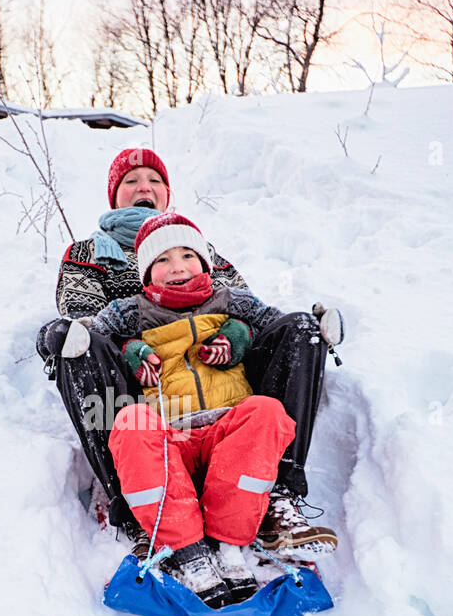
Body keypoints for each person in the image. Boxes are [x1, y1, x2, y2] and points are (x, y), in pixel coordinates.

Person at [36, 148, 342, 556]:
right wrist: (129, 344)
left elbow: (249, 307)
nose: (143, 187)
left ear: (166, 193)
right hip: (143, 381)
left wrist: (237, 334)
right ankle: (135, 503)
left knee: (300, 330)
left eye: (154, 180)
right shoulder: (88, 253)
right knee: (79, 346)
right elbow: (85, 321)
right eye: (131, 180)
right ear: (114, 195)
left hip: (220, 373)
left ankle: (278, 492)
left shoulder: (201, 247)